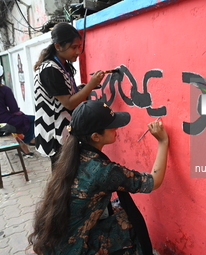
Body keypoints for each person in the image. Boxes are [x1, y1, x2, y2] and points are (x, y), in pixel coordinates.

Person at [27, 100, 169, 255]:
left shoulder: (71, 156)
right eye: (111, 126)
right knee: (126, 221)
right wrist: (163, 141)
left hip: (54, 242)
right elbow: (153, 181)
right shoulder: (103, 171)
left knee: (116, 208)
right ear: (95, 136)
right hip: (74, 249)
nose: (116, 128)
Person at [33, 22, 105, 166]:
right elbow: (69, 103)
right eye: (74, 47)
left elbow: (63, 93)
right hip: (55, 135)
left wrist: (81, 88)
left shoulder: (62, 65)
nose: (78, 51)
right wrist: (90, 85)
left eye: (79, 47)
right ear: (58, 46)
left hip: (64, 132)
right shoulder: (50, 69)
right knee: (62, 181)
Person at [0, 64, 35, 157]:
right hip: (4, 121)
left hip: (3, 121)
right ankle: (30, 140)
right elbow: (14, 108)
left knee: (20, 122)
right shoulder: (4, 89)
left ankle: (25, 150)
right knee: (31, 119)